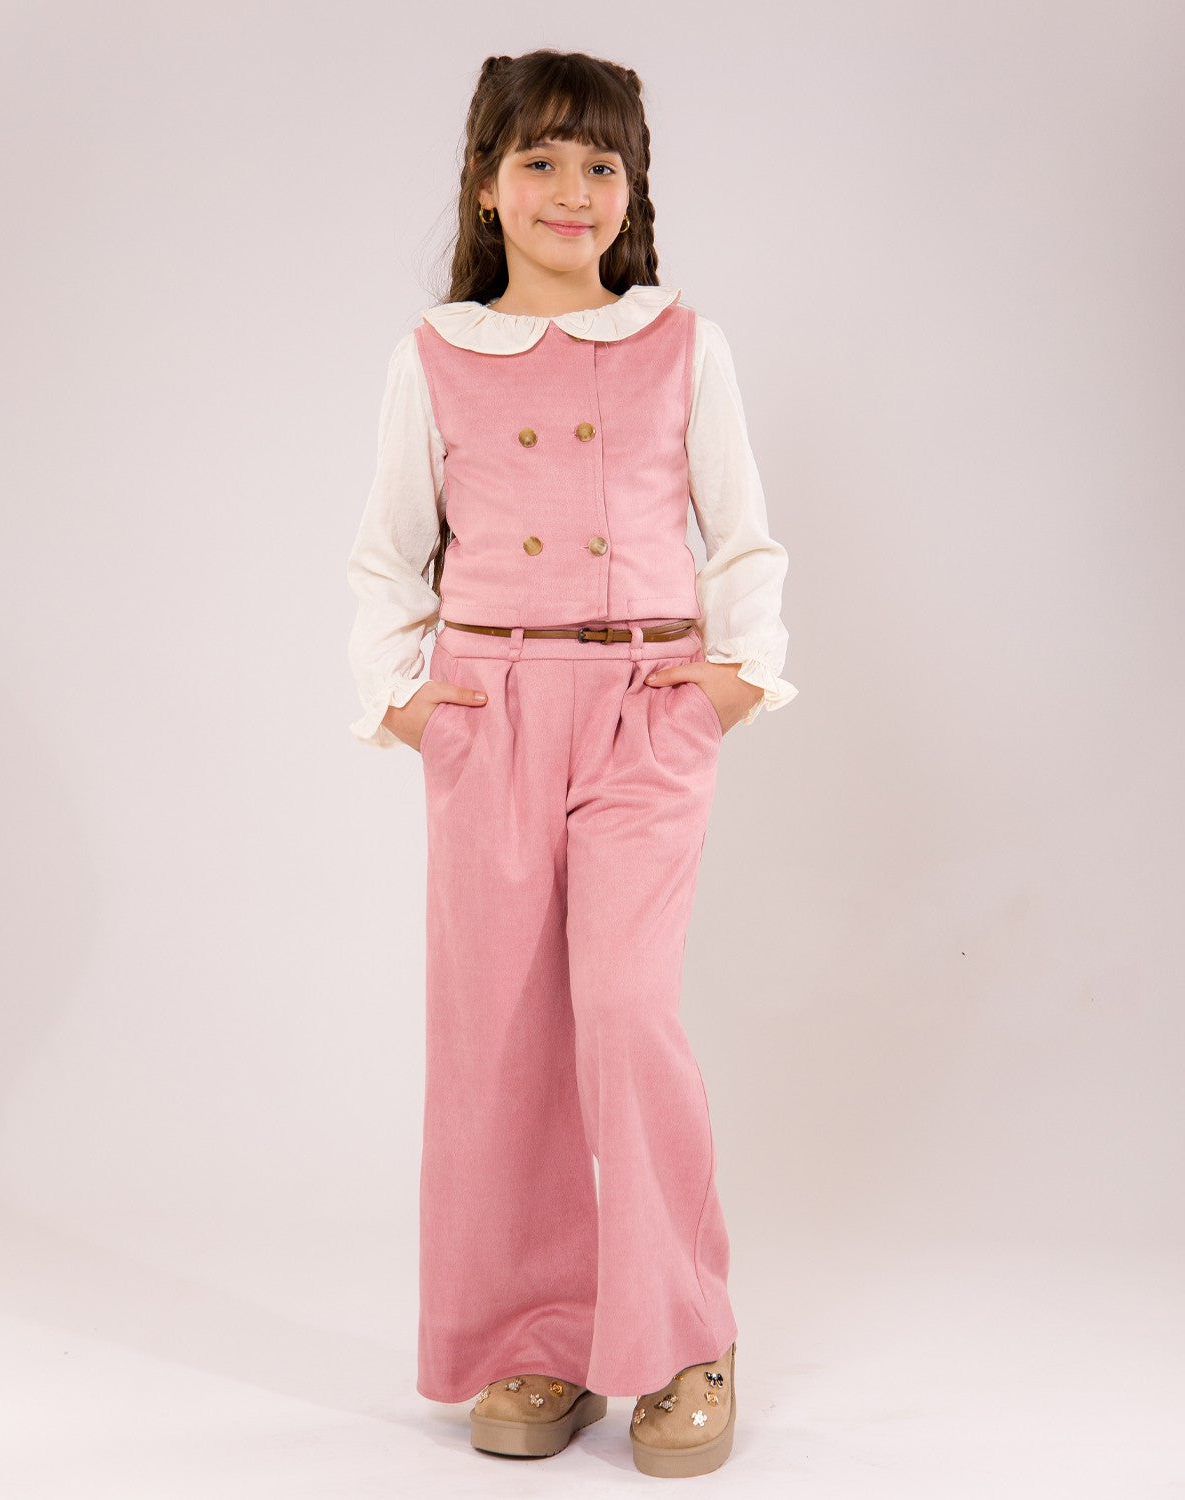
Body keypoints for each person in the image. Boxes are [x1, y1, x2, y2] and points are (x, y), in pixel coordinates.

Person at [345, 47, 798, 1479]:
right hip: (489, 712)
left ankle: (683, 1338)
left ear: (633, 189)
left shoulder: (684, 345)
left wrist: (731, 683)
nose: (571, 190)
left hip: (643, 706)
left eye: (601, 164)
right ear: (485, 184)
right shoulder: (433, 357)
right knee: (501, 1035)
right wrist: (408, 703)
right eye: (538, 159)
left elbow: (741, 535)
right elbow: (387, 552)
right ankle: (538, 1336)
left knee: (622, 1008)